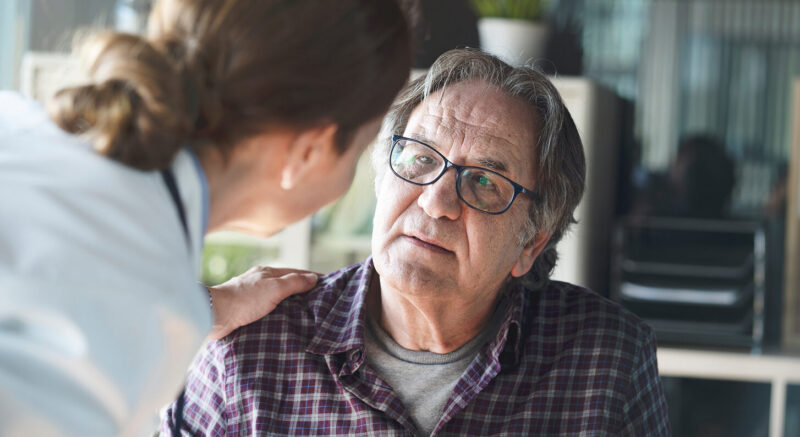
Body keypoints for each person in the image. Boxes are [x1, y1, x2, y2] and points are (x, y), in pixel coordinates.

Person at [162, 48, 671, 436]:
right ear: (383, 176)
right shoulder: (249, 351)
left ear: (530, 244)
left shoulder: (608, 359)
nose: (436, 202)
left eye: (485, 182)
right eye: (421, 159)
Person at [0, 0, 412, 435]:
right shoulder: (135, 318)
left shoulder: (19, 122)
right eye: (363, 149)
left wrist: (208, 305)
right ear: (309, 151)